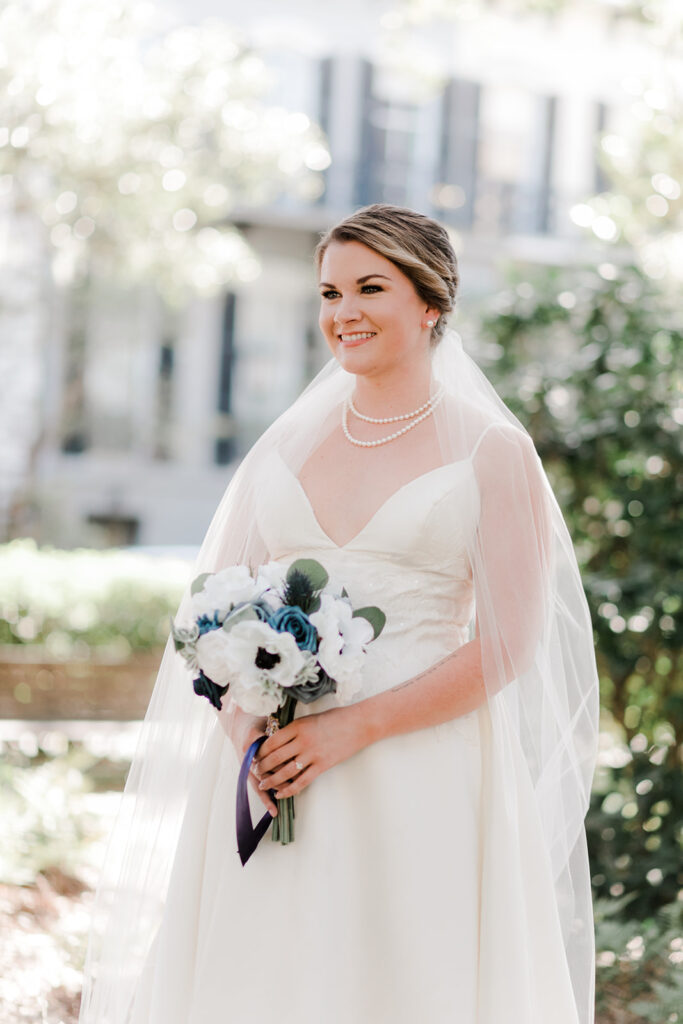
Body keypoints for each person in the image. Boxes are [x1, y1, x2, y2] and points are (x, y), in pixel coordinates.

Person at [78, 204, 600, 1024]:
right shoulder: (286, 445)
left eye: (369, 288)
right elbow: (216, 615)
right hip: (277, 766)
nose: (342, 312)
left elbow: (508, 644)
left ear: (429, 302)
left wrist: (354, 728)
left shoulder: (491, 451)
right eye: (328, 293)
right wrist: (247, 734)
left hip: (417, 766)